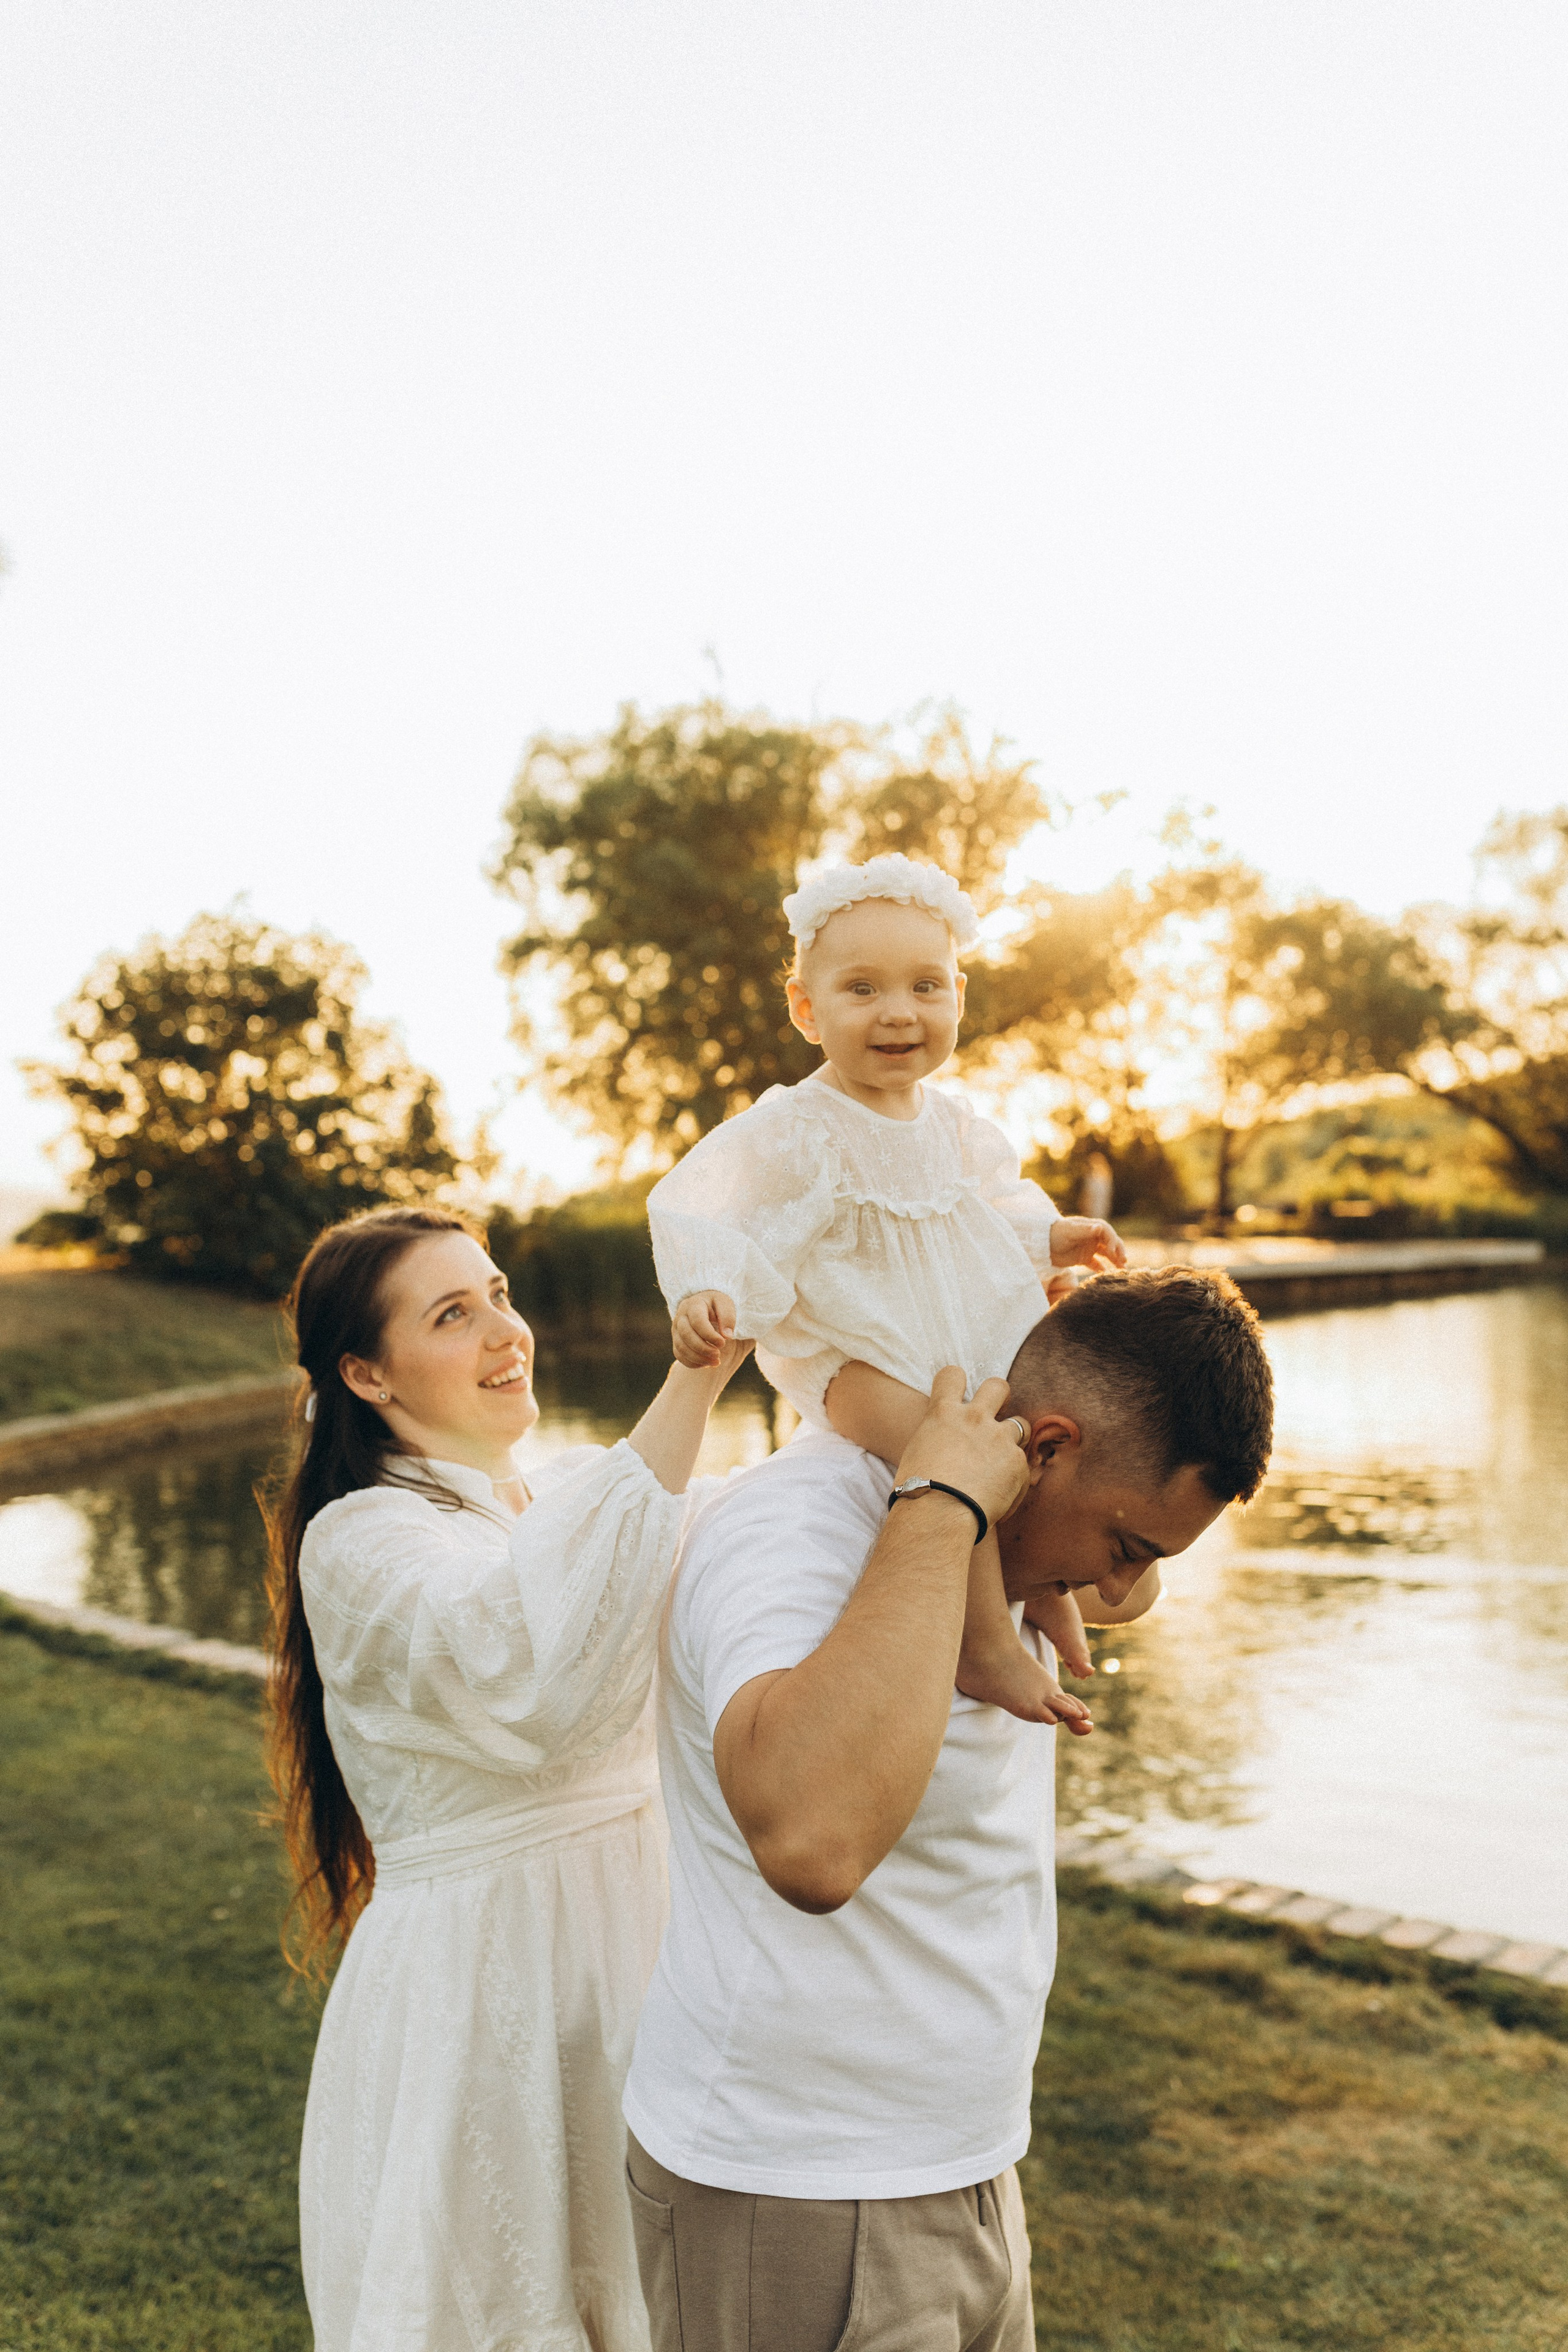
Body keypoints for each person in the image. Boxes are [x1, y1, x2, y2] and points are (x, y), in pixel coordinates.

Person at [622, 1266, 1274, 2352]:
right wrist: (943, 1501)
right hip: (796, 2187)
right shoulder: (797, 1530)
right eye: (1125, 1547)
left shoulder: (1024, 1557)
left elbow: (1129, 1585)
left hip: (970, 2170)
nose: (1118, 1591)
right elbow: (812, 1845)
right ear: (1044, 1448)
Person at [262, 1204, 747, 2352]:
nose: (504, 1332)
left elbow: (765, 1535)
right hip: (489, 1989)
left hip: (642, 1954)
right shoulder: (361, 1541)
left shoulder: (569, 1492)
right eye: (451, 1314)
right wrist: (691, 1385)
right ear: (367, 1375)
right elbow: (532, 1672)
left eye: (499, 1295)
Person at [647, 853, 1123, 1729]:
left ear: (958, 997)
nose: (899, 1012)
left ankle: (1040, 1588)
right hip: (854, 1359)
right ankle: (984, 1646)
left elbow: (990, 1212)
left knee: (1017, 1445)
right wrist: (703, 1290)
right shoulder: (796, 1128)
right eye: (862, 989)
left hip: (963, 1343)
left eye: (925, 986)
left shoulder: (954, 1126)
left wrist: (1050, 1237)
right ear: (807, 1009)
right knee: (947, 1454)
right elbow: (711, 1206)